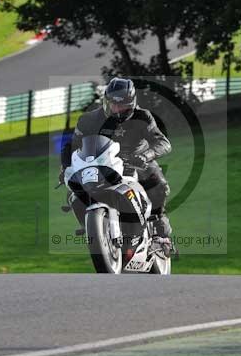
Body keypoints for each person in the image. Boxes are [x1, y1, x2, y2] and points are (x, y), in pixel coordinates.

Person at [60, 77, 172, 243]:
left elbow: (163, 142)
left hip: (135, 162)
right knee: (74, 191)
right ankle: (90, 225)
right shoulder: (88, 119)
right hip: (101, 163)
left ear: (132, 103)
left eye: (123, 105)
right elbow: (71, 145)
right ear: (106, 101)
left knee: (158, 183)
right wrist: (65, 168)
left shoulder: (143, 117)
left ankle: (158, 216)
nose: (117, 109)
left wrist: (145, 156)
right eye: (113, 104)